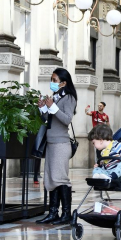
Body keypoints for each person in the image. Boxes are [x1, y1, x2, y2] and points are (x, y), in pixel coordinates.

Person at [36, 68, 78, 225]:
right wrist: (43, 108)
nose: (52, 83)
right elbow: (49, 119)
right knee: (50, 178)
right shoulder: (55, 97)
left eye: (54, 80)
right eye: (52, 79)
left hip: (61, 143)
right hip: (51, 142)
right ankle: (53, 212)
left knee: (60, 178)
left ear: (63, 83)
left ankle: (66, 213)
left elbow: (67, 119)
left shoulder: (69, 98)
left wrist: (53, 107)